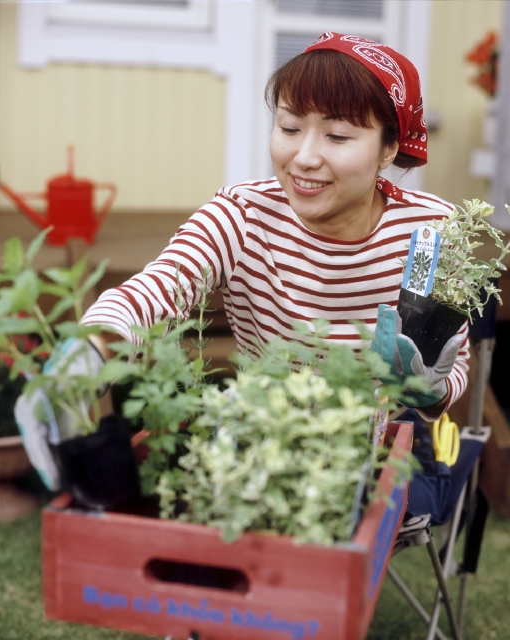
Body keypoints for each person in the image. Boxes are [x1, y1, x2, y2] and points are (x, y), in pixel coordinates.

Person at [83, 33, 469, 422]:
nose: (303, 158)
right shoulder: (245, 216)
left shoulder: (427, 235)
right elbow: (161, 286)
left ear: (388, 149)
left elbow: (446, 363)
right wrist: (94, 346)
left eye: (337, 136)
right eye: (288, 128)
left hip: (386, 452)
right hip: (272, 444)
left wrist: (431, 394)